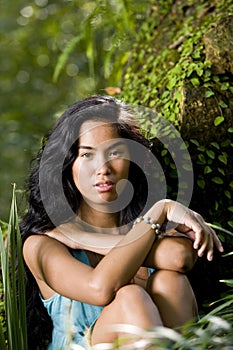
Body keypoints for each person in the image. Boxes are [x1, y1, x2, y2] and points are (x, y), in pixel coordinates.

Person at [20, 95, 223, 350]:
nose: (102, 168)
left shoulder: (141, 227)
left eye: (115, 152)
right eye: (87, 155)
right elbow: (100, 289)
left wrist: (82, 237)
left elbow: (178, 258)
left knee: (170, 282)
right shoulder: (41, 245)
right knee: (131, 297)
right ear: (68, 163)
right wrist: (160, 213)